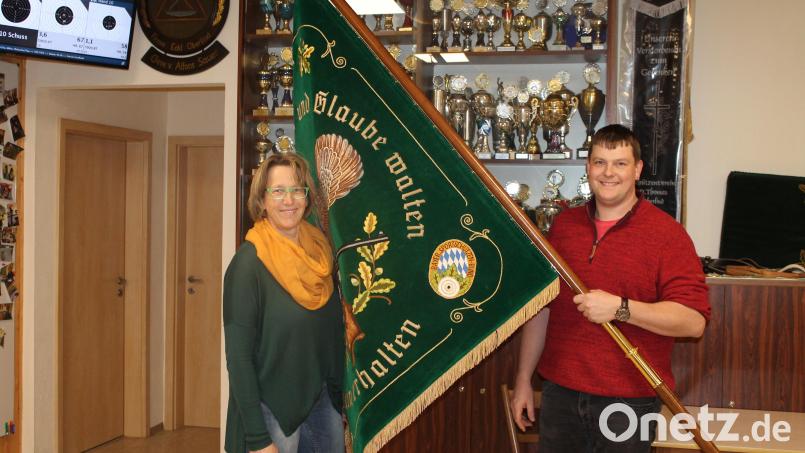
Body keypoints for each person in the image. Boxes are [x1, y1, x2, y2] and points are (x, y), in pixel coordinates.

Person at [511, 124, 710, 453]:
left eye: (620, 163)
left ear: (638, 169)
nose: (608, 173)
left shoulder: (667, 235)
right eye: (600, 162)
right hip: (560, 395)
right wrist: (523, 380)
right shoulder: (563, 227)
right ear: (588, 167)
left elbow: (693, 322)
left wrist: (621, 308)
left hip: (629, 404)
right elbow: (543, 310)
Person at [224, 153, 345, 453]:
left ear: (306, 197)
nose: (288, 200)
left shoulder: (320, 250)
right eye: (277, 191)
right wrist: (257, 437)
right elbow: (238, 358)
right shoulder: (248, 265)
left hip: (321, 403)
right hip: (271, 411)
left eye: (296, 190)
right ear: (262, 201)